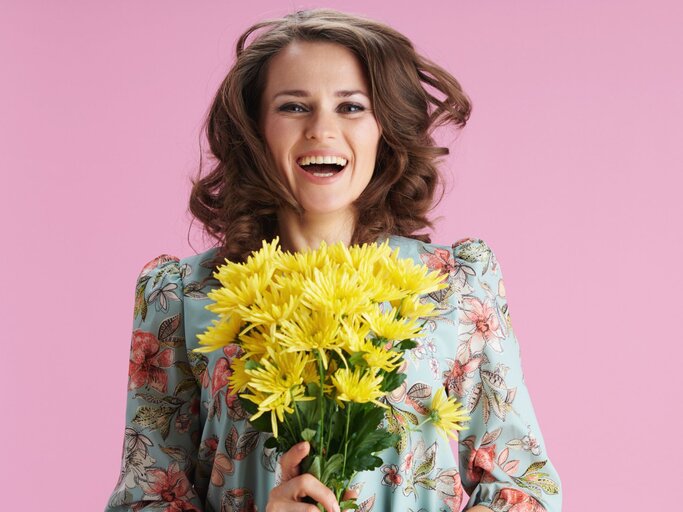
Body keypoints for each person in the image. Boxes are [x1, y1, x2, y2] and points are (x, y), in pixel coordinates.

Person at [105, 8, 562, 512]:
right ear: (256, 130)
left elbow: (523, 489)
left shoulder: (455, 286)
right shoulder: (181, 296)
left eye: (351, 108)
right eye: (294, 107)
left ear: (384, 129)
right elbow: (145, 497)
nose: (321, 129)